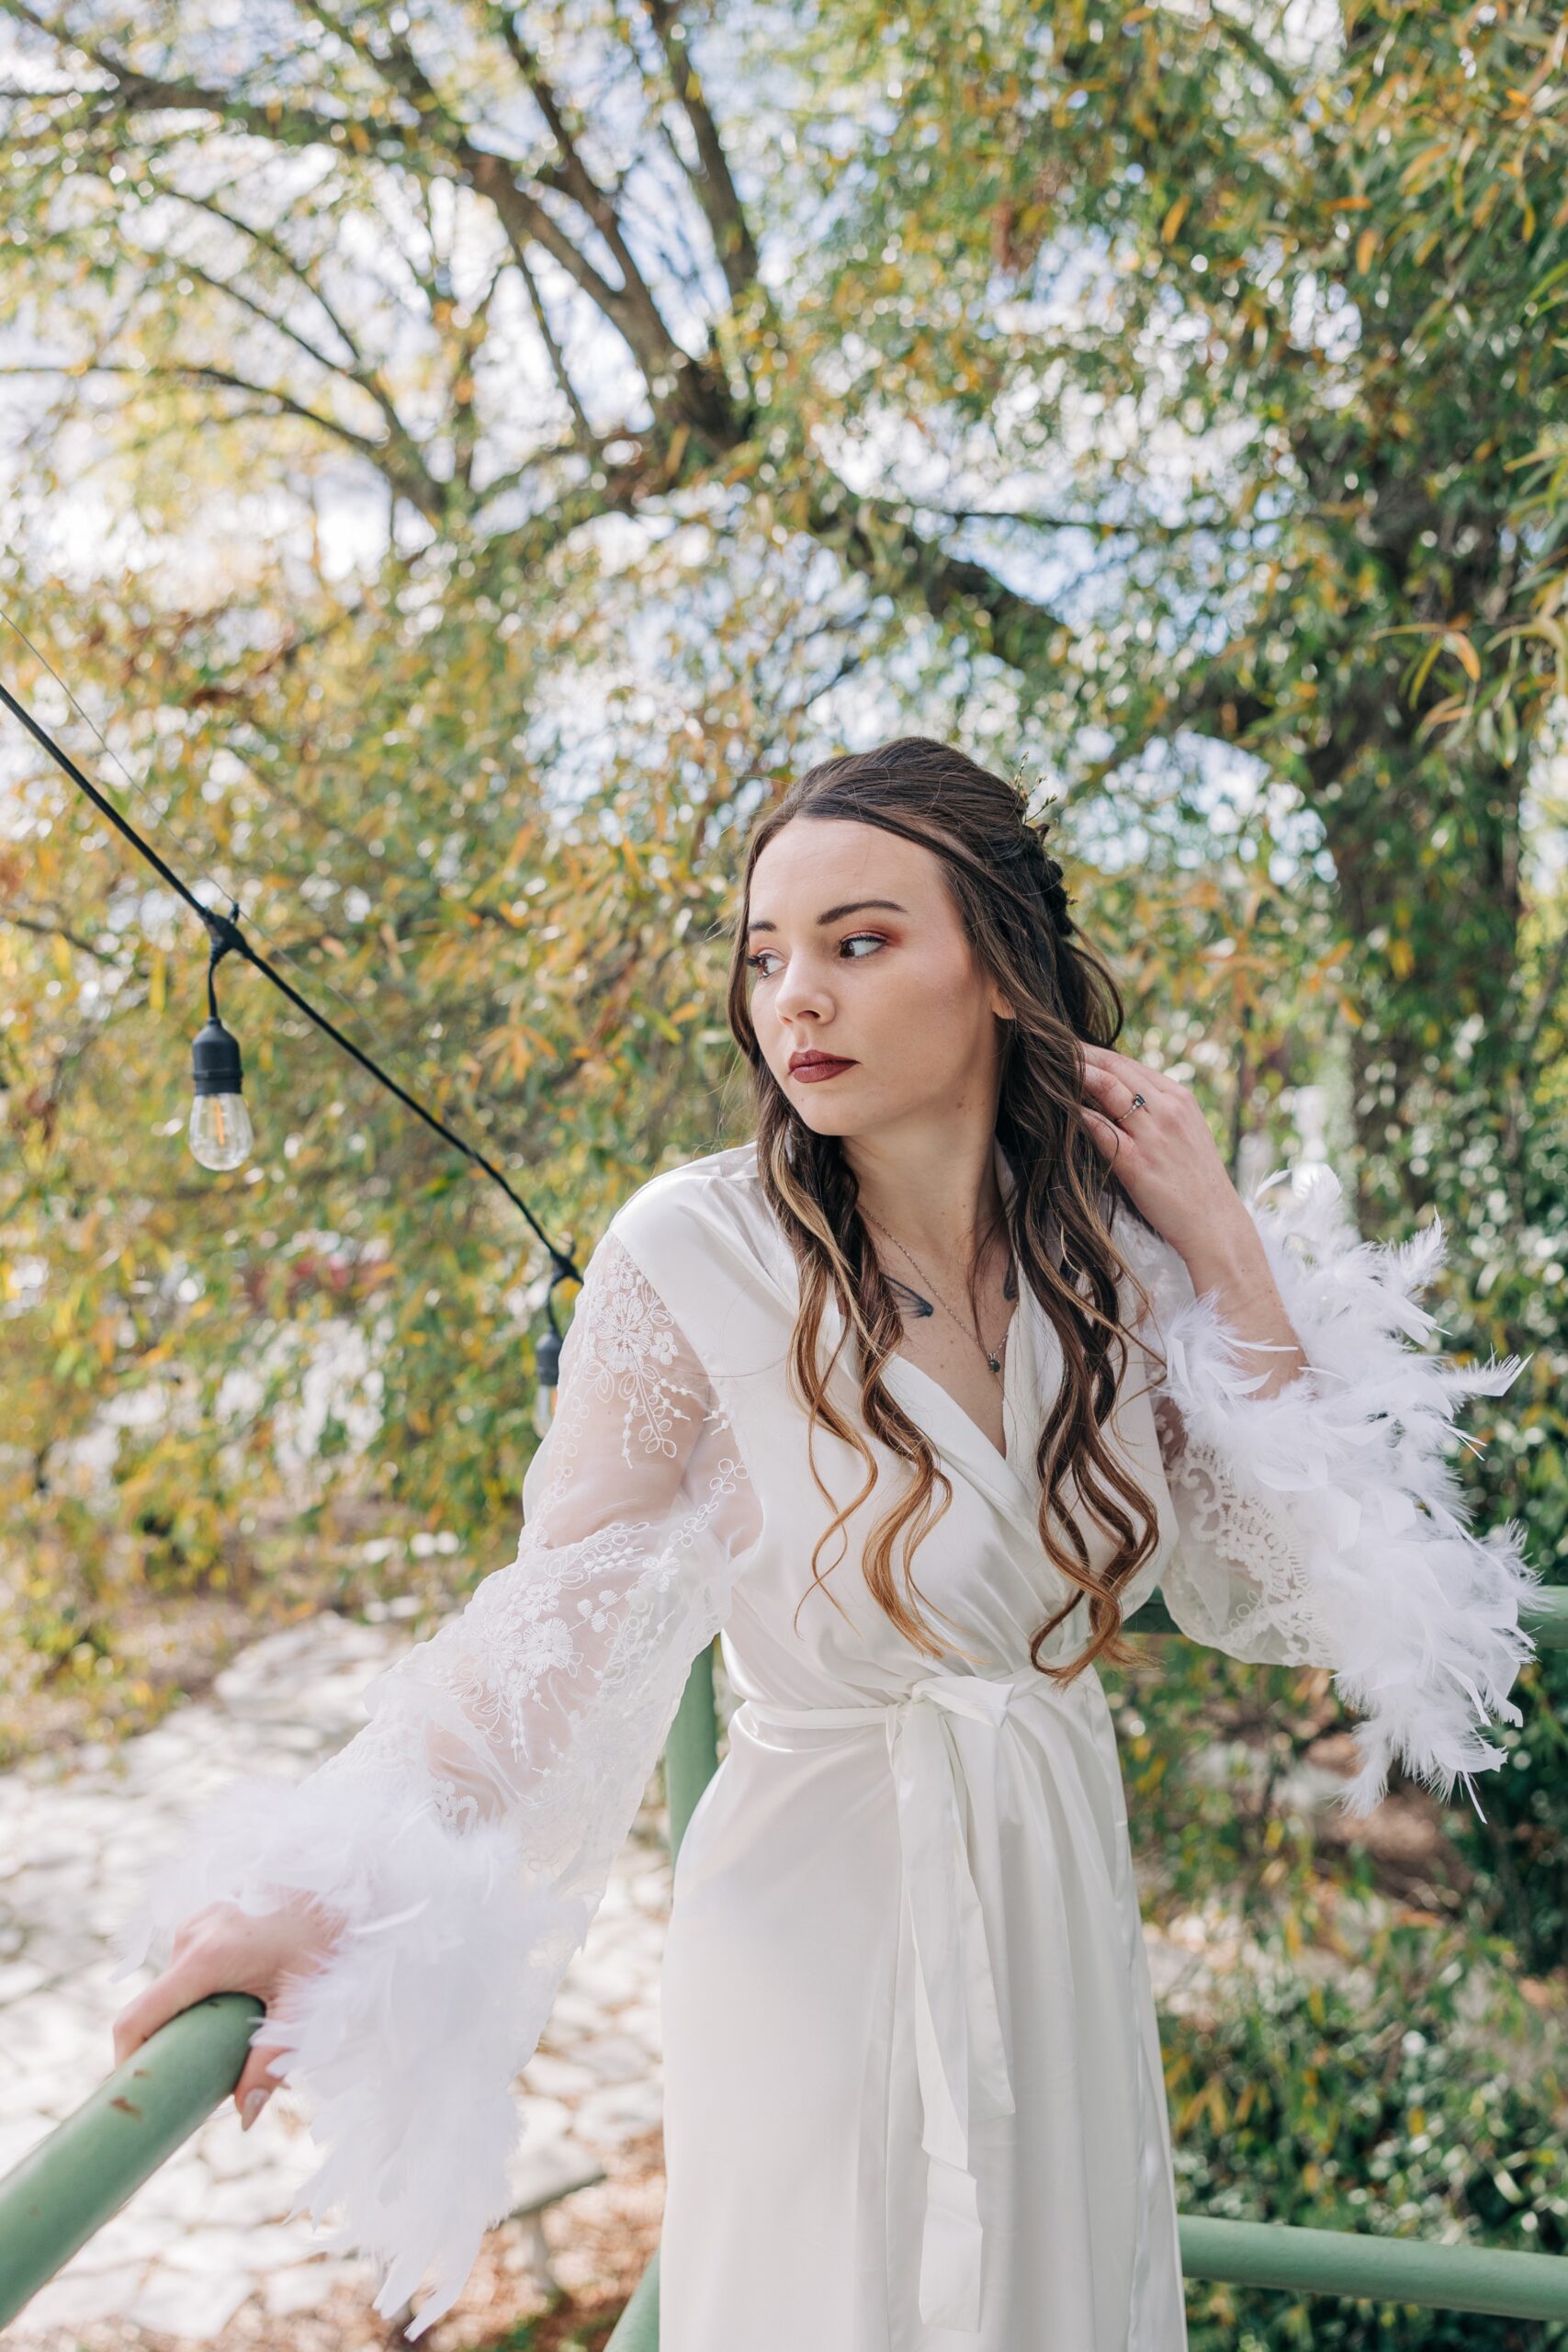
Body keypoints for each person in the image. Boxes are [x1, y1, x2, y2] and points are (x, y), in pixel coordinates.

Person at [108, 737, 1539, 2350]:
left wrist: (1222, 1248)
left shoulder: (1114, 1263)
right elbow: (554, 1626)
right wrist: (325, 1884)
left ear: (999, 968)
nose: (796, 997)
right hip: (815, 1915)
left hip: (1054, 1881)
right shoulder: (694, 1252)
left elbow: (1294, 1593)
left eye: (860, 943)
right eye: (767, 954)